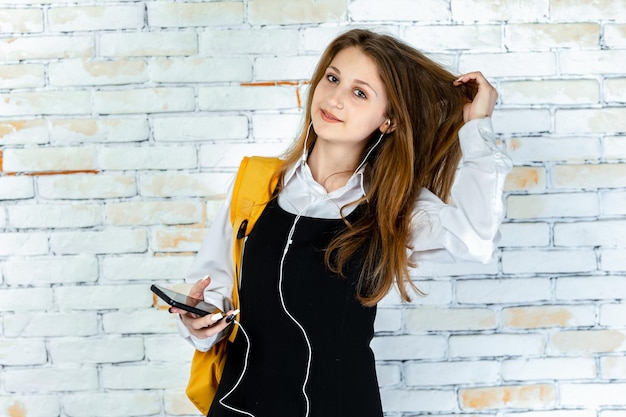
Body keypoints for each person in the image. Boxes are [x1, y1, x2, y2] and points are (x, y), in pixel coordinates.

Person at [172, 28, 512, 417]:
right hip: (240, 406)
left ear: (389, 121)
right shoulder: (256, 181)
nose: (335, 98)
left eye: (360, 92)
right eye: (333, 78)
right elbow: (217, 290)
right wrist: (201, 322)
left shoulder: (395, 207)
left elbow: (477, 239)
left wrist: (476, 126)